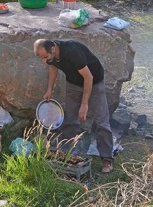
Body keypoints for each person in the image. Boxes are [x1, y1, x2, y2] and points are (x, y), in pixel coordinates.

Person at [33, 39, 114, 173]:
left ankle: (107, 159)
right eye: (41, 58)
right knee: (70, 119)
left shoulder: (72, 51)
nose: (44, 61)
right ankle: (68, 152)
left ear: (53, 49)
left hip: (94, 82)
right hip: (73, 84)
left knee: (102, 121)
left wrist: (84, 103)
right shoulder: (51, 55)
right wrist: (49, 90)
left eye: (45, 57)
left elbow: (88, 77)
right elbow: (53, 67)